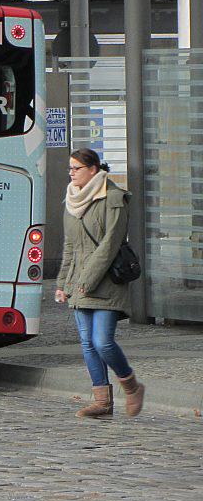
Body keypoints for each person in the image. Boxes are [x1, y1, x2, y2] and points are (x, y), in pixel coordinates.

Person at [56, 148, 145, 418]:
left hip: (107, 282)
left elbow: (110, 245)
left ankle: (131, 386)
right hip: (79, 282)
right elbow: (70, 247)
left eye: (76, 168)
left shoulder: (114, 198)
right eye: (70, 169)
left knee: (102, 341)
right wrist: (63, 283)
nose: (71, 173)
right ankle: (102, 402)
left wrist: (86, 281)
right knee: (86, 342)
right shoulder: (72, 201)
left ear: (93, 169)